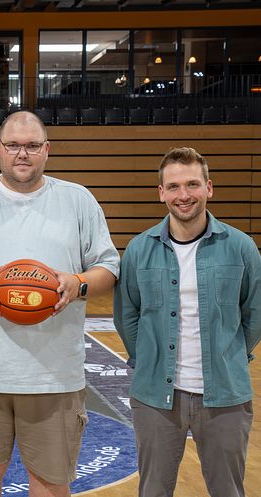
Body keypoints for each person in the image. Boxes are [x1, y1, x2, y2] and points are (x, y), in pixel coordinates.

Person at [0, 111, 120, 497]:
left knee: (51, 481)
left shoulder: (77, 199)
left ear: (46, 150)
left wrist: (77, 283)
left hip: (54, 374)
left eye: (32, 146)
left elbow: (109, 267)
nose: (23, 154)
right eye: (14, 145)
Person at [114, 147, 260, 497]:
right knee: (152, 491)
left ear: (209, 187)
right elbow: (127, 315)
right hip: (156, 398)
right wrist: (149, 358)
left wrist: (230, 355)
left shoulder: (240, 247)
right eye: (174, 186)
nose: (184, 195)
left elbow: (254, 314)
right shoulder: (138, 250)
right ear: (161, 192)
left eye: (192, 184)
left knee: (228, 491)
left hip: (225, 396)